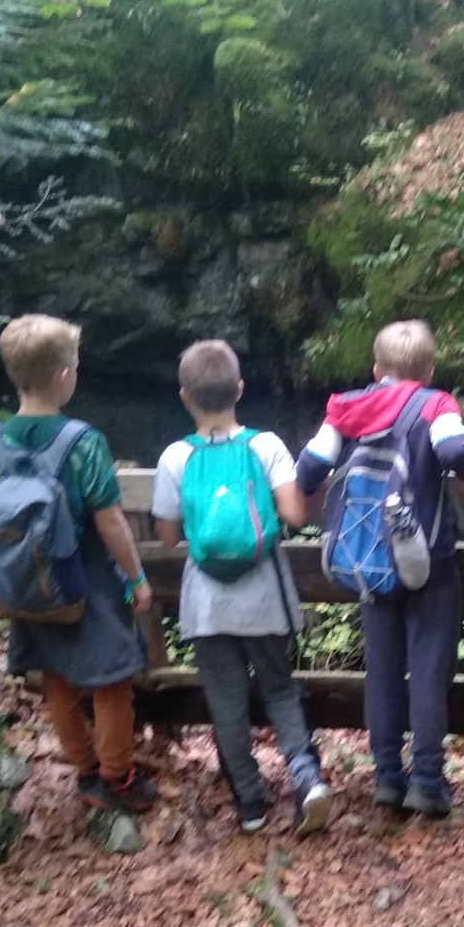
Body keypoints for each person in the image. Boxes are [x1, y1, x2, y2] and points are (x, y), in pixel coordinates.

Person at [295, 320, 464, 817]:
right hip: (428, 560)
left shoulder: (347, 407)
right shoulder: (435, 404)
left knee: (381, 669)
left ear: (377, 370)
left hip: (370, 560)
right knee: (428, 670)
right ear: (428, 371)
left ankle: (386, 777)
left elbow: (309, 468)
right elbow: (454, 451)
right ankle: (427, 780)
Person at [0, 314, 156, 813]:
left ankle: (86, 769)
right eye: (74, 367)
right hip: (86, 579)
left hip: (27, 580)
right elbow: (110, 520)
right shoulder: (82, 441)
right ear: (62, 378)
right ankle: (117, 777)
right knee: (112, 677)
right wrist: (137, 578)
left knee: (56, 675)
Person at [151, 340, 332, 836]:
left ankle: (250, 805)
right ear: (240, 390)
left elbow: (166, 535)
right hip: (264, 597)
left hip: (207, 604)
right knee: (279, 689)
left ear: (185, 397)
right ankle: (306, 778)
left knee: (225, 703)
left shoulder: (175, 457)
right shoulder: (265, 445)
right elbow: (294, 514)